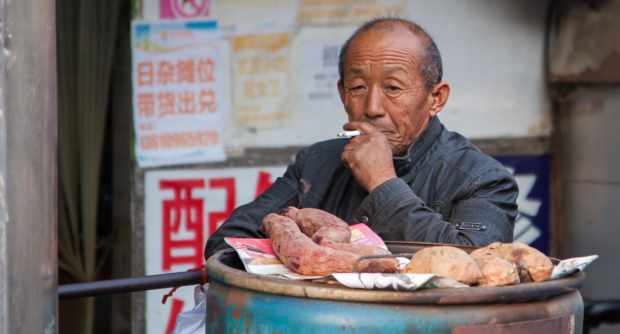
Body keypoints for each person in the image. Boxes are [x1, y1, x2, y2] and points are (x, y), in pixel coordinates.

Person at [204, 16, 518, 260]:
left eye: (393, 88)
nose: (372, 108)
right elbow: (228, 242)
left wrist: (382, 183)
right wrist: (305, 258)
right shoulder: (316, 164)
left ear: (436, 98)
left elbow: (476, 265)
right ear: (342, 93)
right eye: (358, 88)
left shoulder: (481, 179)